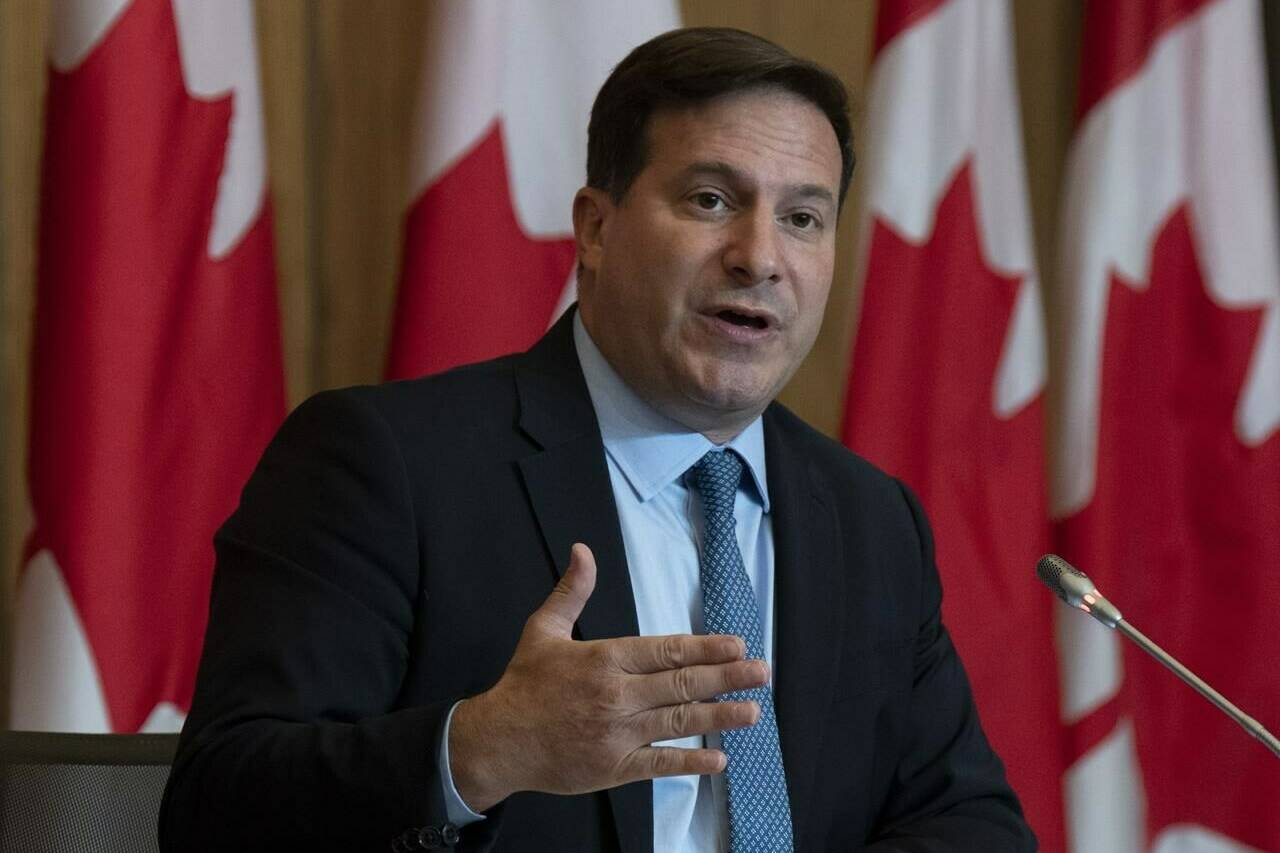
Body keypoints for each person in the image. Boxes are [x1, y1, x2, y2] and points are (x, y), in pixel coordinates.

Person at [159, 27, 1035, 853]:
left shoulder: (870, 519)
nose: (759, 256)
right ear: (596, 226)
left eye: (803, 218)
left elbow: (971, 824)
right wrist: (480, 751)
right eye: (710, 199)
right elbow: (219, 811)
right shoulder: (387, 465)